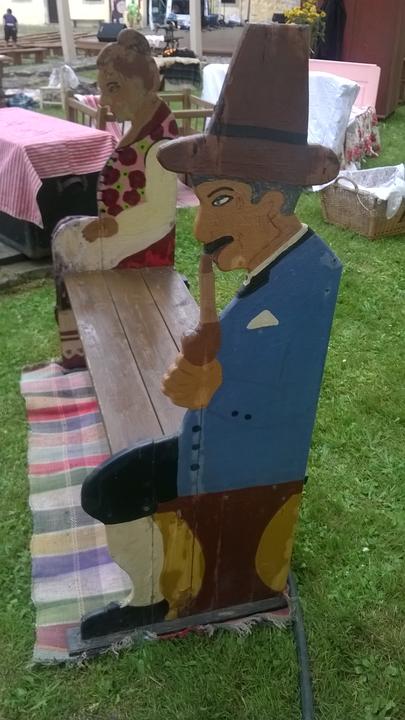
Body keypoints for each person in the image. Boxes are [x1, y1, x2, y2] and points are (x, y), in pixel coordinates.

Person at [80, 23, 343, 636]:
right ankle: (155, 590)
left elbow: (268, 388)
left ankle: (170, 597)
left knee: (112, 492)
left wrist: (212, 381)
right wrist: (209, 363)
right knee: (108, 488)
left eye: (219, 202)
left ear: (271, 205)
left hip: (237, 472)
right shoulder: (284, 269)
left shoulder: (306, 280)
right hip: (217, 450)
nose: (199, 230)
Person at [52, 29, 178, 368]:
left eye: (113, 88)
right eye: (102, 90)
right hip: (125, 235)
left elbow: (160, 212)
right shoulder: (143, 124)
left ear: (144, 83)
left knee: (67, 243)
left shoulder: (160, 142)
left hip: (144, 244)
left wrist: (113, 227)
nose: (105, 101)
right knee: (66, 234)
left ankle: (77, 349)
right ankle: (78, 347)